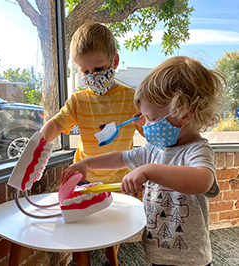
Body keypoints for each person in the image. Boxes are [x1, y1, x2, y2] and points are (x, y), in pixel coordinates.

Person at [61, 56, 226, 266]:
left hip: (190, 259)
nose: (146, 126)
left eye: (153, 119)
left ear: (184, 114)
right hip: (158, 252)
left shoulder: (196, 150)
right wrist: (88, 163)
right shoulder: (154, 149)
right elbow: (121, 157)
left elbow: (203, 181)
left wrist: (149, 171)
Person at [40, 22, 143, 184]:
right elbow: (56, 125)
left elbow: (150, 135)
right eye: (85, 71)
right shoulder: (77, 101)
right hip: (84, 178)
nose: (93, 76)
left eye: (99, 68)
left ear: (115, 61)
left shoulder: (133, 99)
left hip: (121, 181)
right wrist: (38, 142)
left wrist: (147, 123)